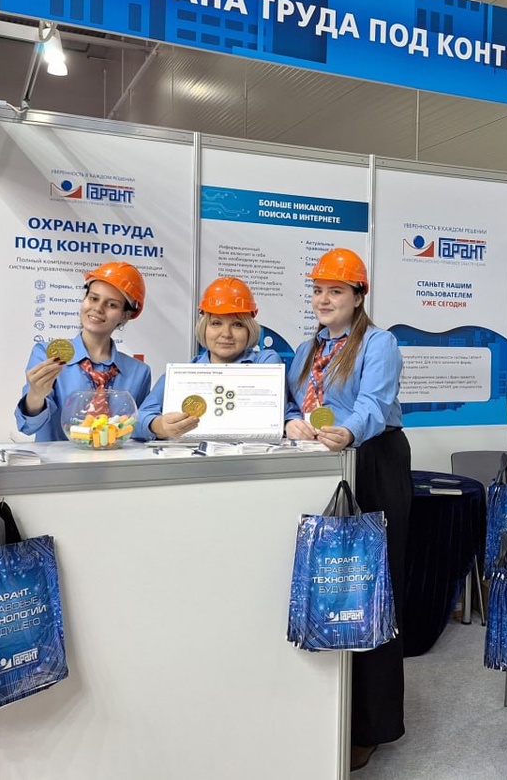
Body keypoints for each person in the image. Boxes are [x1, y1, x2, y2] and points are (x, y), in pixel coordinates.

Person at [283, 248, 410, 771]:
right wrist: (291, 422)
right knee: (328, 587)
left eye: (335, 291)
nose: (324, 299)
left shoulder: (379, 342)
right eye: (318, 290)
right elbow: (290, 401)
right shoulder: (306, 348)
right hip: (322, 464)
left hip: (372, 460)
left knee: (369, 589)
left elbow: (374, 404)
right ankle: (325, 713)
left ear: (358, 296)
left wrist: (348, 432)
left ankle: (371, 725)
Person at [15, 261, 152, 442]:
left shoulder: (139, 372)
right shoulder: (48, 355)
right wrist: (36, 395)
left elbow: (137, 432)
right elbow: (29, 426)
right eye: (93, 298)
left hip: (115, 460)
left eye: (111, 305)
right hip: (56, 460)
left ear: (125, 315)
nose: (98, 308)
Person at [137, 276, 282, 439]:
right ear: (204, 328)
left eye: (237, 324)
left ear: (249, 330)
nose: (226, 334)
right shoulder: (181, 374)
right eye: (216, 323)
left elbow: (280, 411)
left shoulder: (266, 362)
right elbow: (137, 419)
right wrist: (159, 426)